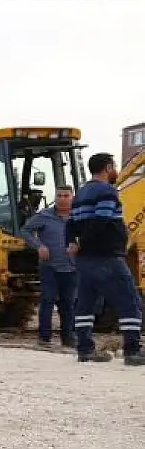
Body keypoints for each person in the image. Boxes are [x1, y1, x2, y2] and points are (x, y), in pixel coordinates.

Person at [66, 152, 144, 366]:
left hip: (85, 260)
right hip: (107, 256)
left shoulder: (81, 193)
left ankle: (85, 350)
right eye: (115, 166)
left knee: (86, 304)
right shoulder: (107, 191)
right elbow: (102, 220)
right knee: (130, 302)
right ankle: (133, 351)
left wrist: (72, 243)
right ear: (108, 167)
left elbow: (70, 223)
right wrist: (83, 242)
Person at [20, 186, 77, 348]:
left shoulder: (78, 216)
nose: (63, 198)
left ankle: (68, 338)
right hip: (49, 267)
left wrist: (80, 245)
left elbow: (88, 234)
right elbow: (25, 231)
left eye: (66, 195)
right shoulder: (44, 216)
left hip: (72, 267)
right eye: (59, 195)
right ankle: (44, 338)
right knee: (48, 300)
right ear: (55, 197)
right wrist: (39, 246)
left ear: (72, 197)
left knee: (69, 303)